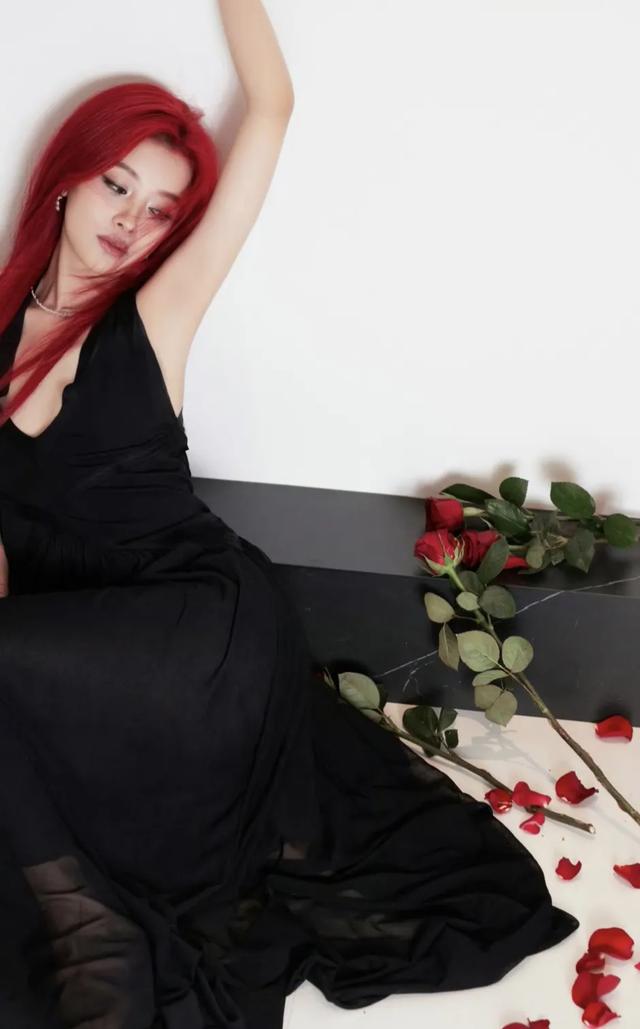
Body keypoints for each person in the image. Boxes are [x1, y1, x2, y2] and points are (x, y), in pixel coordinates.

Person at [0, 3, 579, 1028]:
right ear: (67, 178)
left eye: (160, 209)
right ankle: (77, 911)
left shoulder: (156, 314)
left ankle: (91, 931)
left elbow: (270, 105)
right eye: (117, 185)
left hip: (202, 623)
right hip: (95, 629)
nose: (131, 219)